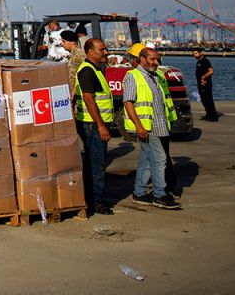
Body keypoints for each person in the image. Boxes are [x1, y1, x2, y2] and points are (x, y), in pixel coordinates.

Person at [122, 47, 182, 209]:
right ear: (142, 59)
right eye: (152, 59)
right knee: (160, 158)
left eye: (157, 59)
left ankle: (139, 193)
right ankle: (159, 195)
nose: (156, 63)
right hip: (146, 127)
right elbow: (128, 102)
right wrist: (139, 126)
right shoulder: (132, 76)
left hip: (160, 125)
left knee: (147, 159)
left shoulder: (157, 75)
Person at [75, 38, 115, 215]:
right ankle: (96, 201)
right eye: (102, 49)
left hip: (95, 123)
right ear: (90, 52)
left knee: (95, 162)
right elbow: (88, 99)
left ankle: (95, 197)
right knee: (96, 164)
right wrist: (101, 126)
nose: (105, 52)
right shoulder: (87, 71)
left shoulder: (96, 69)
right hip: (92, 125)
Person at [194, 48, 218, 121]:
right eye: (193, 54)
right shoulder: (199, 62)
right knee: (204, 100)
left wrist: (203, 77)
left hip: (206, 85)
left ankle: (213, 116)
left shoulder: (205, 61)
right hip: (200, 85)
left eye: (196, 53)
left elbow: (211, 71)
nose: (194, 55)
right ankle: (208, 114)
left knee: (208, 100)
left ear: (201, 53)